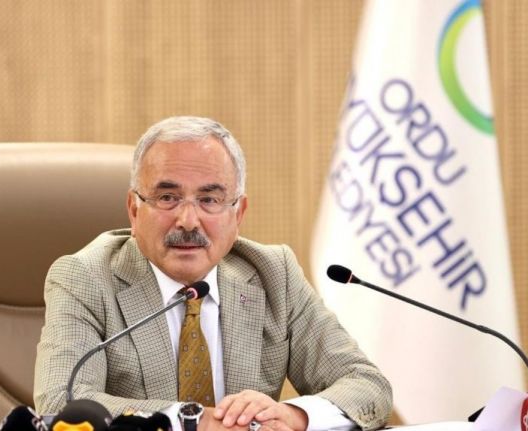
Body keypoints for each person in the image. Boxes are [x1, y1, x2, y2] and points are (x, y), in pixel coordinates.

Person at [34, 116, 392, 431]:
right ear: (134, 210)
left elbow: (367, 385)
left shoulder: (273, 274)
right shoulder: (84, 278)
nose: (188, 221)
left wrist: (293, 415)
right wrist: (194, 421)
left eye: (209, 199)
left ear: (238, 214)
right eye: (167, 197)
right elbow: (62, 402)